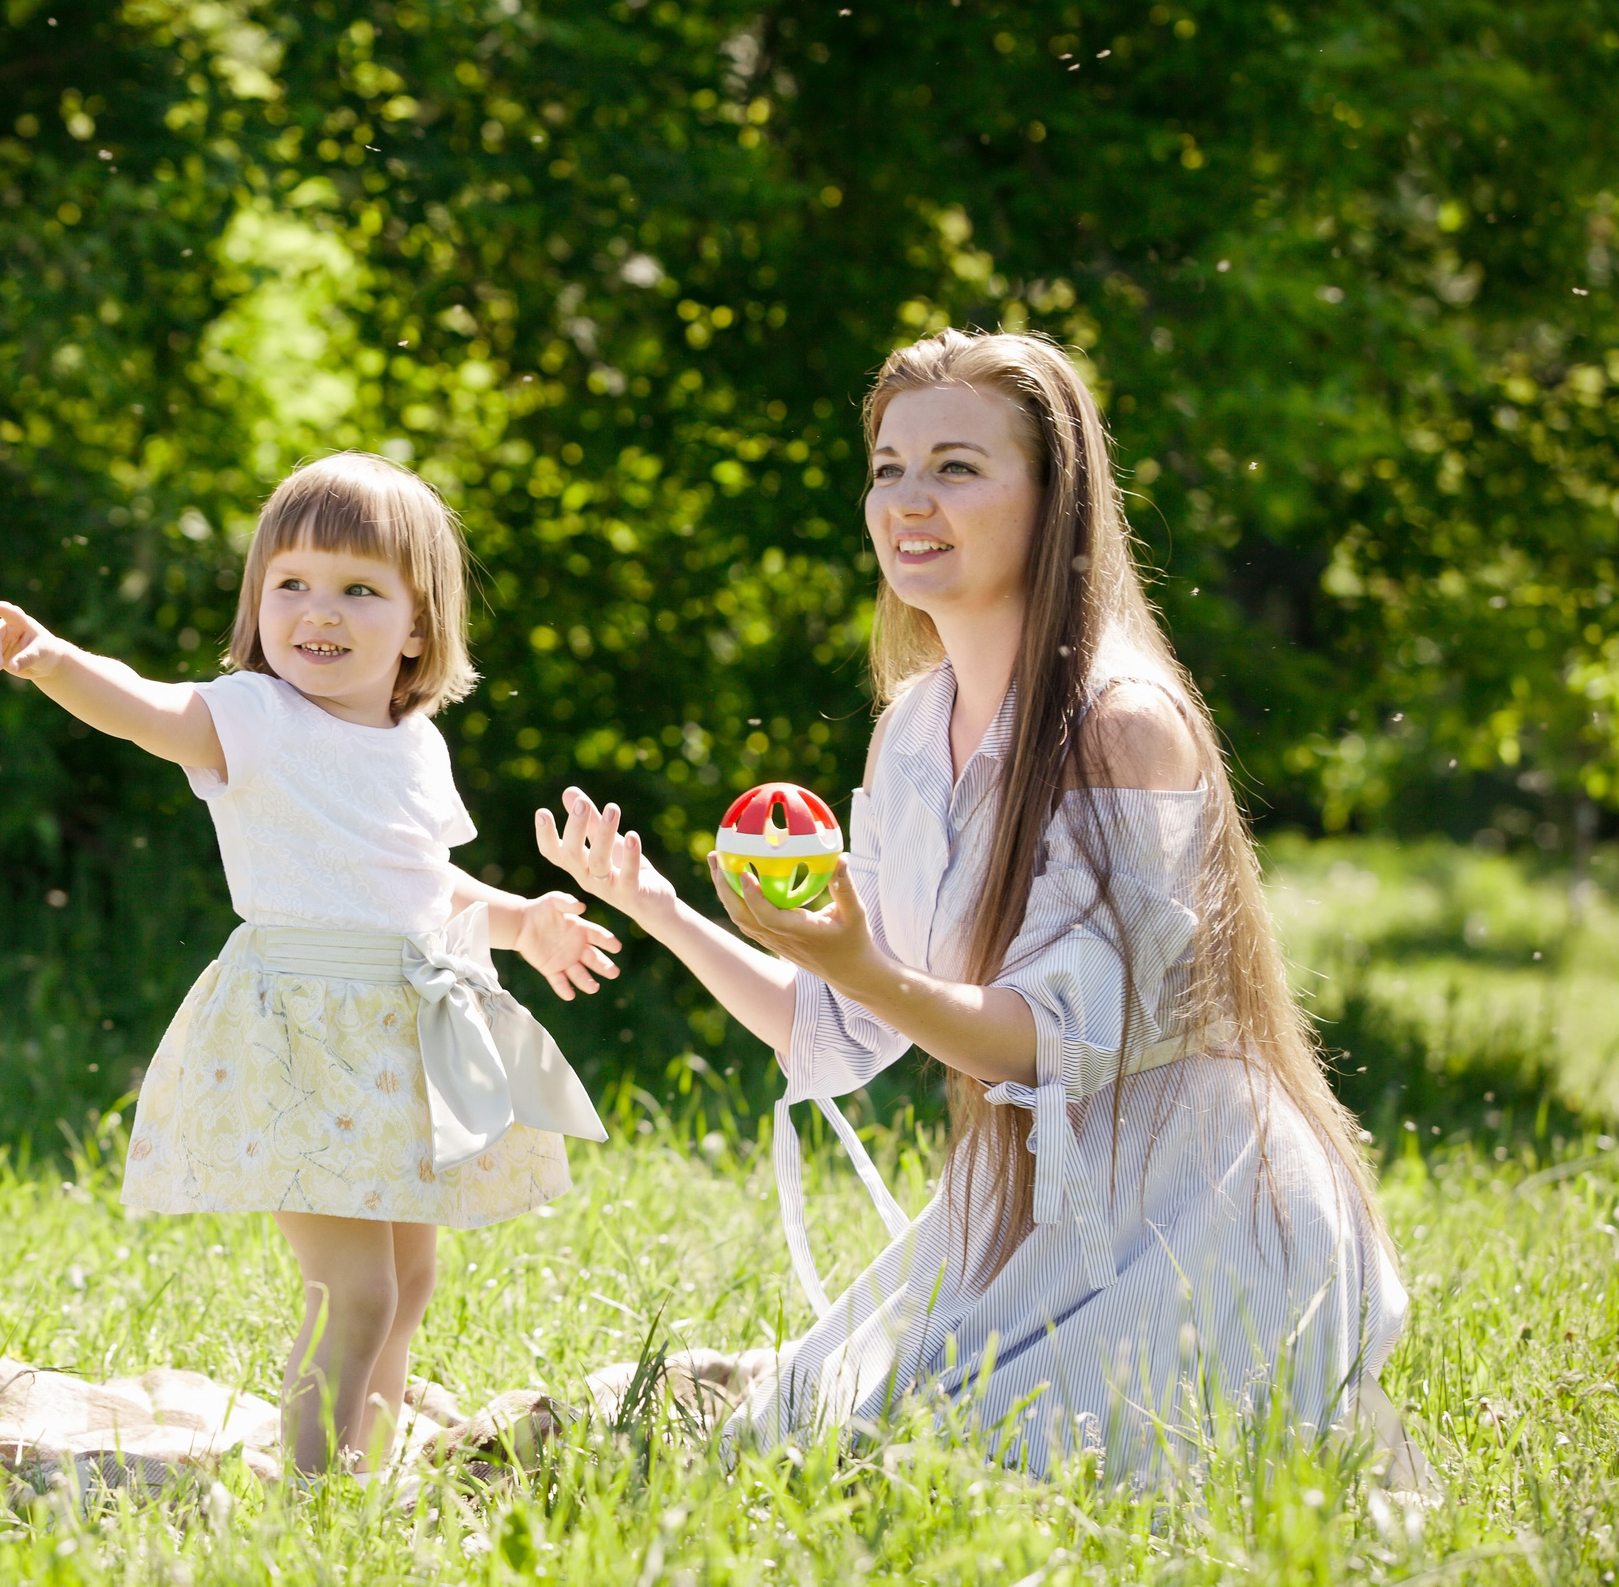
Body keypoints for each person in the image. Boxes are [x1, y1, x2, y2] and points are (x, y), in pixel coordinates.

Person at [535, 330, 1415, 1480]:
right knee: (786, 1455)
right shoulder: (911, 728)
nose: (909, 499)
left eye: (955, 466)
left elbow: (1056, 1041)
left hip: (1198, 1211)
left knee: (957, 1483)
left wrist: (858, 961)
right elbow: (841, 1025)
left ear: (1055, 499)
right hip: (1027, 1208)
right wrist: (655, 904)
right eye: (888, 467)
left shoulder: (1119, 724)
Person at [0, 452, 615, 1479]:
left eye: (360, 588)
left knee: (408, 1277)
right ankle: (307, 1499)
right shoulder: (252, 720)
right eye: (292, 584)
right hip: (304, 1036)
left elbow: (417, 885)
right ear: (258, 602)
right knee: (349, 1292)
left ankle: (365, 1465)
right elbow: (142, 706)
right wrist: (52, 659)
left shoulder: (411, 742)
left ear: (417, 624)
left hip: (396, 1040)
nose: (321, 610)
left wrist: (517, 920)